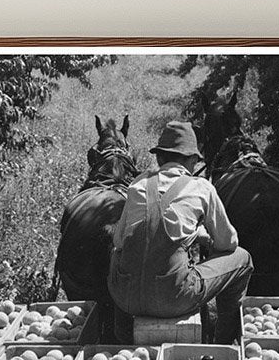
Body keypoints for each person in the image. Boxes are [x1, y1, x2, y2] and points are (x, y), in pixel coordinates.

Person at [108, 121, 253, 344]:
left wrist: (191, 234)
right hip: (173, 300)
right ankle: (223, 340)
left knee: (117, 255)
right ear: (193, 160)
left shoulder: (137, 185)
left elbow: (119, 242)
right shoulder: (201, 187)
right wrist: (202, 237)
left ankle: (122, 336)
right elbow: (227, 243)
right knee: (242, 258)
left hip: (125, 297)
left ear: (159, 158)